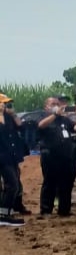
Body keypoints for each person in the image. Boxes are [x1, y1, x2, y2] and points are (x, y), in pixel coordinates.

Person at [36, 96, 76, 217]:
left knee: (66, 183)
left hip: (65, 155)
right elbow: (41, 125)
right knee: (50, 182)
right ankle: (46, 210)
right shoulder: (43, 117)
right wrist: (55, 114)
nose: (56, 106)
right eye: (53, 104)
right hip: (50, 155)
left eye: (57, 104)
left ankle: (64, 210)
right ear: (46, 107)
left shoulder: (64, 119)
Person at [0, 93, 25, 227]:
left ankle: (7, 213)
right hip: (2, 157)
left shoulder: (8, 117)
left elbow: (21, 126)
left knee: (14, 185)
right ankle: (3, 215)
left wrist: (13, 114)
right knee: (12, 185)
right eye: (3, 103)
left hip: (12, 156)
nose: (5, 105)